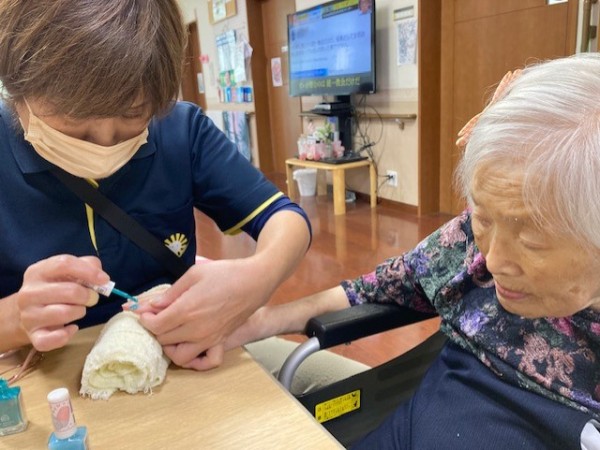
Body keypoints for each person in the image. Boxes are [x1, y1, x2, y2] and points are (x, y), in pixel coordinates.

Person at [224, 53, 600, 449]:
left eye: (532, 242)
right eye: (483, 218)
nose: (492, 261)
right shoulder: (472, 240)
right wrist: (255, 322)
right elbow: (379, 288)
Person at [0, 0, 311, 371]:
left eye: (132, 116)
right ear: (18, 85)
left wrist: (256, 279)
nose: (104, 144)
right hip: (38, 377)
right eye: (75, 123)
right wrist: (14, 318)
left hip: (182, 357)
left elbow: (285, 217)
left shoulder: (179, 129)